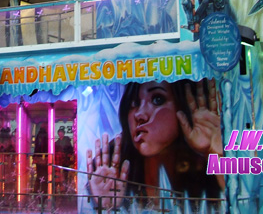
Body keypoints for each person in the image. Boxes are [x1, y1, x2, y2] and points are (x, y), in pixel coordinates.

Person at [86, 79, 223, 210]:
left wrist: (215, 153)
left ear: (183, 105)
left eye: (157, 99)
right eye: (134, 103)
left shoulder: (201, 172)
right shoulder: (112, 171)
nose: (139, 114)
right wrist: (107, 206)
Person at [54, 126, 74, 192]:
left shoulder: (67, 140)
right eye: (59, 133)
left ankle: (65, 186)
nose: (60, 134)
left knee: (65, 173)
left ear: (63, 133)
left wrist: (69, 155)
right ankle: (60, 186)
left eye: (61, 133)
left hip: (65, 160)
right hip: (59, 160)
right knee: (59, 174)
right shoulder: (57, 142)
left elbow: (70, 149)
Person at [33, 127, 49, 195]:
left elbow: (36, 149)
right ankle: (43, 191)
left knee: (39, 176)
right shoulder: (46, 138)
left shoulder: (38, 138)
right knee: (44, 177)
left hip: (39, 160)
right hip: (44, 160)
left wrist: (35, 157)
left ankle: (37, 191)